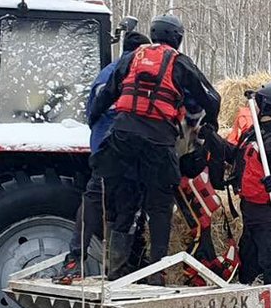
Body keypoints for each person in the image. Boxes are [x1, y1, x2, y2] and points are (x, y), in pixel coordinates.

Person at [88, 14, 220, 285]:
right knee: (159, 206)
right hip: (158, 141)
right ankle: (155, 273)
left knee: (114, 195)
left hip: (123, 136)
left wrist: (94, 121)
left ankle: (104, 267)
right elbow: (211, 97)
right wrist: (211, 124)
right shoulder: (179, 62)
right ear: (178, 38)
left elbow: (107, 93)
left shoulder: (133, 57)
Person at [54, 31, 151, 284]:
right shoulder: (138, 75)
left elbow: (91, 113)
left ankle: (74, 260)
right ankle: (116, 270)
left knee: (95, 201)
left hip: (101, 151)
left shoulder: (105, 73)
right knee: (126, 208)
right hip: (127, 152)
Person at [202, 83, 271, 285]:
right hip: (251, 216)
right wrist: (211, 137)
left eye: (259, 102)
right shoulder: (253, 133)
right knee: (247, 271)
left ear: (267, 106)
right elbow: (233, 156)